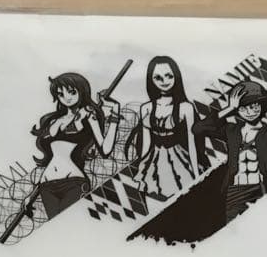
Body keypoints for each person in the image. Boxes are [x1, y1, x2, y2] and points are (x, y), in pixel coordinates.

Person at [193, 82, 267, 221]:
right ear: (237, 110)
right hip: (235, 192)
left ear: (262, 106)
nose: (250, 112)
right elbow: (198, 129)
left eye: (254, 106)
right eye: (243, 108)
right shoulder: (232, 131)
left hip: (263, 190)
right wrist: (229, 108)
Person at [32, 72, 121, 219]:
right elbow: (52, 158)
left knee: (69, 226)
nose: (66, 97)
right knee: (57, 230)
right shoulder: (53, 120)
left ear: (82, 91)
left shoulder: (88, 115)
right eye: (61, 94)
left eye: (72, 92)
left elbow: (105, 150)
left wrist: (115, 113)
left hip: (73, 183)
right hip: (46, 186)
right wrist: (31, 196)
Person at [127, 56, 199, 200]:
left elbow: (192, 144)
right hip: (154, 160)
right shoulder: (146, 107)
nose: (165, 81)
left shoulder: (186, 107)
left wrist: (197, 174)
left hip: (179, 158)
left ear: (176, 76)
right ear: (151, 80)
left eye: (169, 76)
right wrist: (141, 168)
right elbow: (146, 143)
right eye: (158, 78)